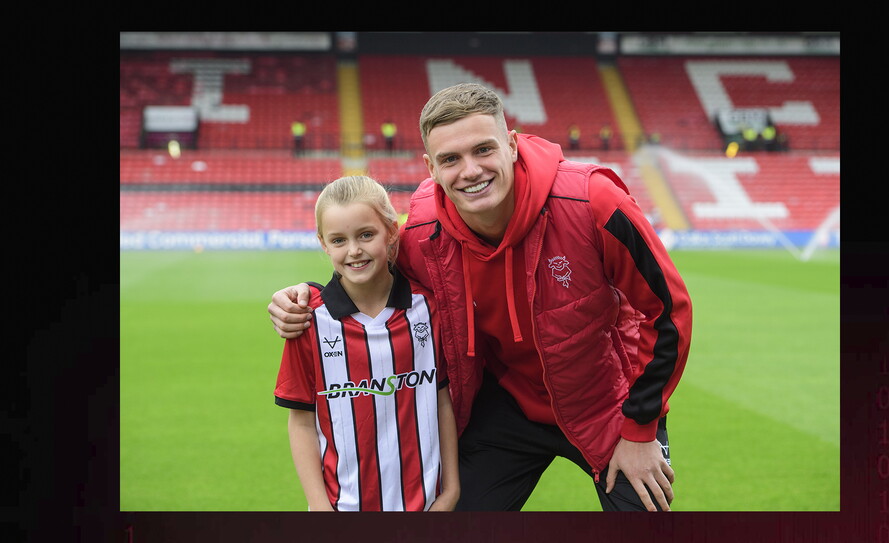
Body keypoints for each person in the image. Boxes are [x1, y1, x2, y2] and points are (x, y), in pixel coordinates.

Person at [269, 83, 692, 512]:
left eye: (483, 150)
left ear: (510, 145)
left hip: (608, 404)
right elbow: (367, 272)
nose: (470, 171)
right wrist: (307, 296)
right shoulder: (420, 231)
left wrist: (640, 429)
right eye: (451, 159)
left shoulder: (591, 201)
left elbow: (669, 310)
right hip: (505, 403)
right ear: (430, 168)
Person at [273, 175, 460, 511]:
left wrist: (451, 490)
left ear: (391, 231)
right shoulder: (309, 321)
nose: (354, 250)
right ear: (323, 244)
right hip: (345, 508)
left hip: (427, 505)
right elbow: (301, 420)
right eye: (339, 240)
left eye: (366, 235)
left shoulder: (427, 309)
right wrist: (318, 506)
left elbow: (442, 399)